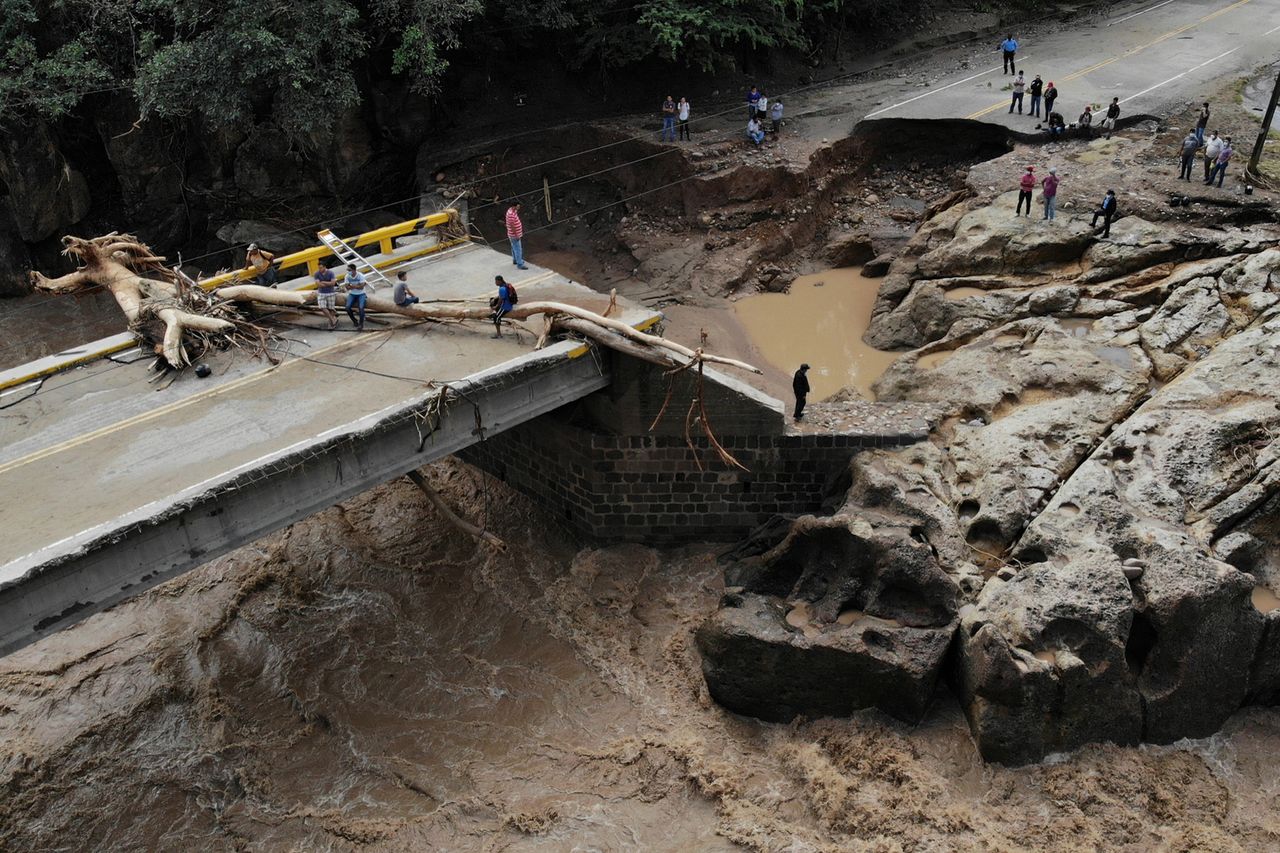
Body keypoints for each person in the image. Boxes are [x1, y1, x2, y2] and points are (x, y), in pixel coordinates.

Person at [343, 263, 368, 330]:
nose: (348, 271)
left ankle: (361, 323)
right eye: (348, 270)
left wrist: (351, 286)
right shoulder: (347, 276)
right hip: (352, 294)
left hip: (361, 294)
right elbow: (347, 287)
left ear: (354, 270)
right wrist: (357, 286)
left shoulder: (360, 275)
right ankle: (354, 320)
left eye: (349, 270)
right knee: (347, 307)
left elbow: (361, 288)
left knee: (361, 308)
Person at [314, 262, 338, 330]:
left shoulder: (331, 273)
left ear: (325, 267)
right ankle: (332, 320)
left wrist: (323, 282)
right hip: (321, 293)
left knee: (331, 308)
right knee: (322, 307)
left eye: (321, 268)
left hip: (330, 292)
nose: (320, 269)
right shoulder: (316, 274)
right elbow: (318, 285)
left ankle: (331, 322)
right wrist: (328, 283)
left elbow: (333, 283)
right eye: (319, 268)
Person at [505, 202, 528, 270]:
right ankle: (520, 264)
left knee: (514, 247)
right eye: (518, 206)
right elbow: (512, 226)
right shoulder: (510, 214)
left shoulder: (513, 211)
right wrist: (516, 235)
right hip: (514, 235)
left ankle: (515, 260)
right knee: (518, 249)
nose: (519, 207)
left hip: (513, 234)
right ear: (514, 206)